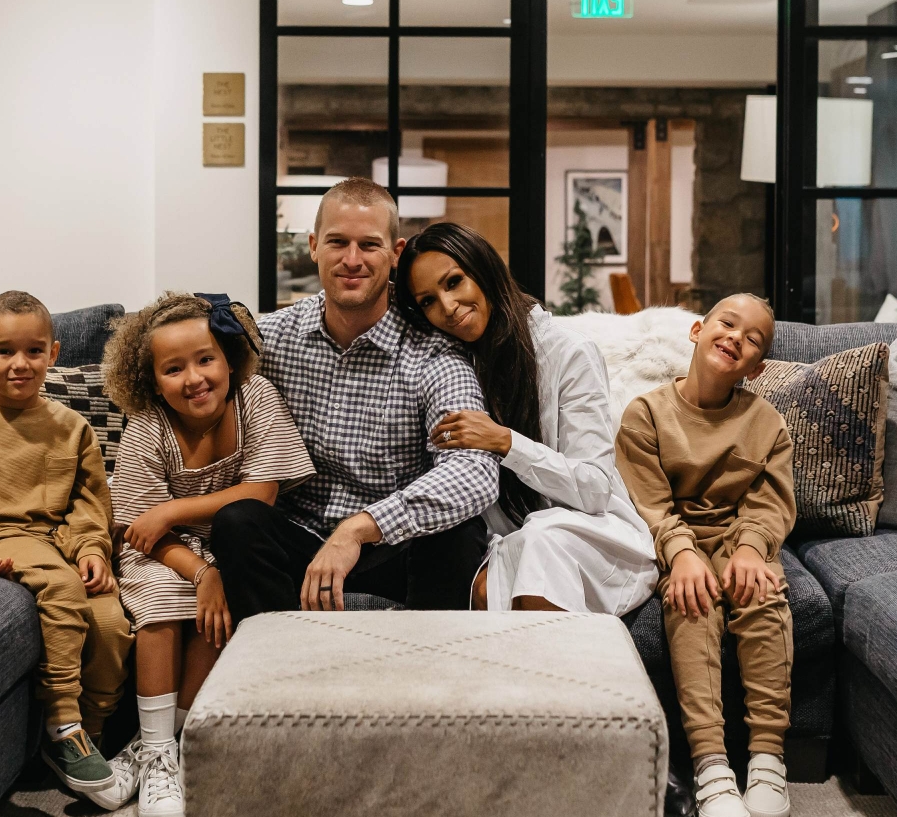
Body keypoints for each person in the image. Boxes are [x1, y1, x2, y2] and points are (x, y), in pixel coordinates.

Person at [210, 177, 500, 617]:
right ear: (313, 246)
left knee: (460, 533)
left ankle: (431, 677)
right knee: (238, 521)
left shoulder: (433, 352)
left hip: (394, 544)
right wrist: (200, 569)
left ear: (396, 253)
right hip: (299, 539)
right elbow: (182, 375)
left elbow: (474, 472)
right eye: (337, 242)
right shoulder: (270, 340)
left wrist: (360, 529)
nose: (352, 260)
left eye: (368, 245)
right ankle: (275, 669)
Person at [104, 292, 315, 817]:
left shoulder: (255, 397)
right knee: (162, 593)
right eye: (173, 369)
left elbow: (261, 494)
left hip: (224, 541)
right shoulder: (150, 429)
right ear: (152, 381)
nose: (194, 378)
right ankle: (155, 750)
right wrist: (199, 570)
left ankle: (158, 744)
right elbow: (139, 528)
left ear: (228, 359)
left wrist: (176, 514)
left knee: (215, 615)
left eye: (205, 360)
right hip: (164, 552)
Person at [0, 291, 134, 811]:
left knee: (110, 621)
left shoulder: (71, 427)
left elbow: (89, 505)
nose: (20, 364)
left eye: (34, 351)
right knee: (61, 591)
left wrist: (94, 551)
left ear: (54, 353)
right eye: (3, 351)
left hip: (59, 542)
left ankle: (90, 734)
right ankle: (63, 723)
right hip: (2, 537)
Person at [393, 221, 657, 615]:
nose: (447, 308)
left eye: (454, 282)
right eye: (428, 301)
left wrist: (506, 443)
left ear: (484, 270)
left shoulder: (568, 351)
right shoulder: (450, 368)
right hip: (515, 540)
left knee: (537, 543)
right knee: (493, 575)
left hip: (595, 537)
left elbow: (594, 489)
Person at [615, 293, 796, 817]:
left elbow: (770, 502)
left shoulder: (767, 423)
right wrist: (682, 554)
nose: (737, 336)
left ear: (757, 367)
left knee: (764, 599)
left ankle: (767, 759)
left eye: (753, 337)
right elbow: (647, 500)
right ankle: (711, 766)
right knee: (690, 607)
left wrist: (750, 550)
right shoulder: (645, 414)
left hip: (740, 539)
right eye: (727, 323)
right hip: (677, 542)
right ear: (697, 331)